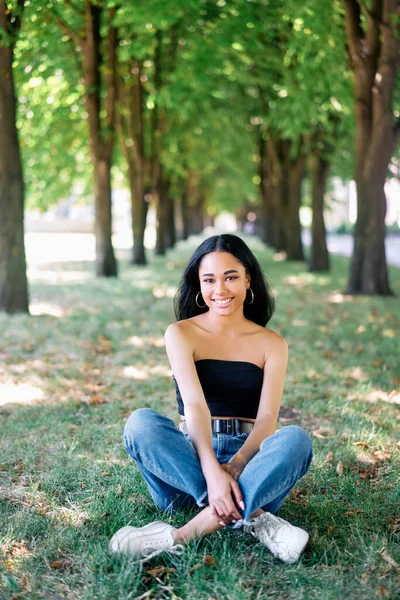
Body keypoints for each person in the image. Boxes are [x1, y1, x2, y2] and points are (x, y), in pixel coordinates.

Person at [109, 234, 313, 564]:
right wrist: (213, 472)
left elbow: (266, 421)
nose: (220, 290)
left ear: (248, 280)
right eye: (209, 279)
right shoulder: (181, 333)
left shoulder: (271, 344)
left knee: (296, 440)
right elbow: (195, 407)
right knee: (141, 423)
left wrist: (235, 465)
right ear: (199, 285)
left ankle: (182, 534)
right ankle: (255, 517)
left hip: (251, 468)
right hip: (187, 465)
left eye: (231, 277)